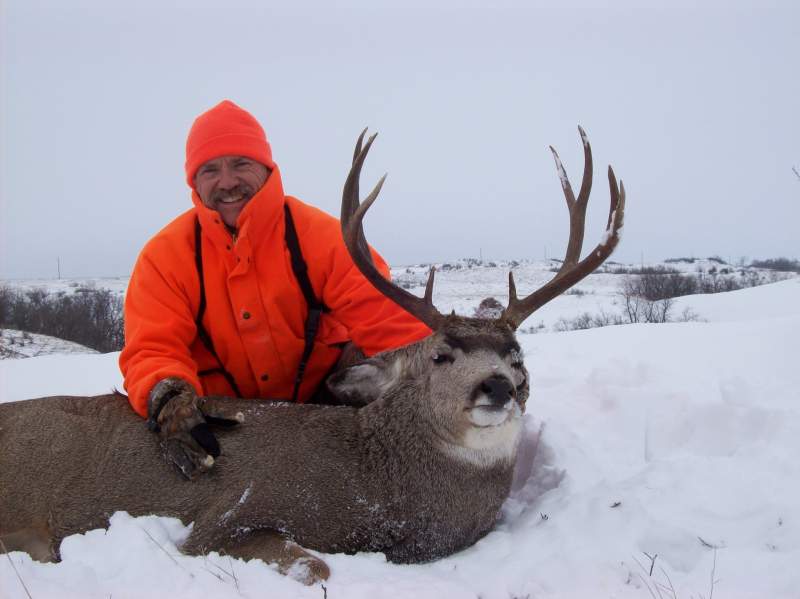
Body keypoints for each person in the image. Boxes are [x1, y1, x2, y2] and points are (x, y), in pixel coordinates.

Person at [119, 100, 430, 479]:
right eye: (210, 169)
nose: (227, 181)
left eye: (241, 164)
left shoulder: (322, 238)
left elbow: (390, 325)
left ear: (267, 168)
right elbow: (152, 348)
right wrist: (168, 397)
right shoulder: (165, 257)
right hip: (221, 418)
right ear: (194, 181)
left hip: (325, 404)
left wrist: (443, 369)